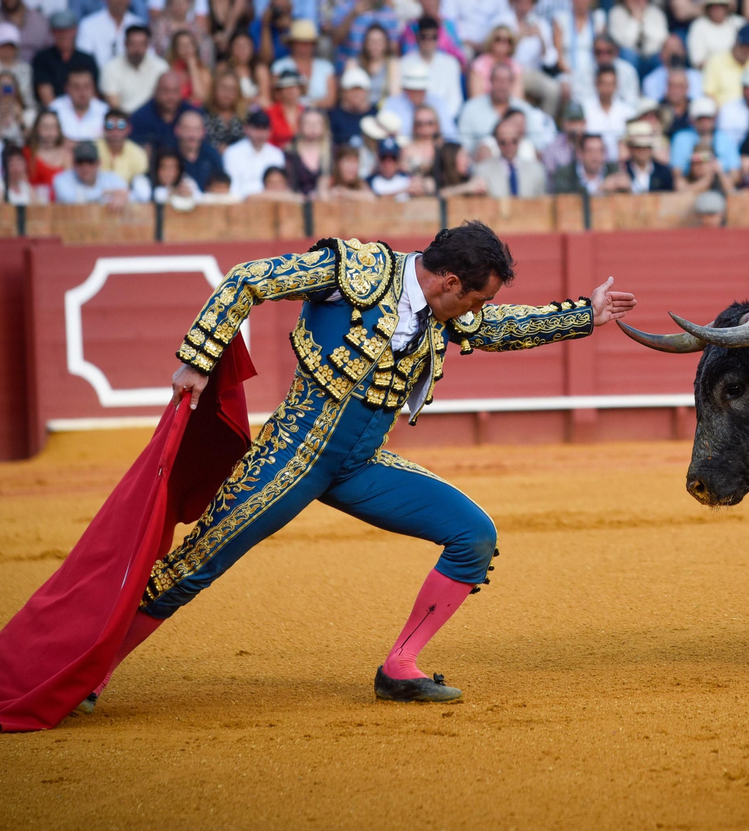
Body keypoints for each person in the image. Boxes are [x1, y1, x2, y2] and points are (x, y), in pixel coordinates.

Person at [90, 223, 638, 708]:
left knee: (473, 535)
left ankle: (400, 668)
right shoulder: (352, 270)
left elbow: (496, 329)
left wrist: (583, 317)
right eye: (474, 301)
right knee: (195, 564)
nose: (476, 314)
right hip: (292, 455)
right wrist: (197, 358)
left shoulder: (444, 312)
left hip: (359, 465)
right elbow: (248, 279)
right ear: (449, 282)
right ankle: (89, 673)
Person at [34, 11, 99, 108]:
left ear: (75, 30)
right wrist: (62, 116)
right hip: (54, 114)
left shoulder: (87, 59)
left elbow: (92, 93)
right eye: (58, 31)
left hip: (83, 110)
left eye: (68, 30)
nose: (63, 35)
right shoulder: (42, 58)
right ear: (52, 32)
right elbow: (46, 95)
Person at [474, 110, 547, 197]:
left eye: (514, 141)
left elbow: (542, 203)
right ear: (497, 142)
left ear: (520, 140)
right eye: (503, 142)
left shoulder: (536, 170)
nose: (509, 147)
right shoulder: (482, 171)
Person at [101, 24, 169, 115]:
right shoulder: (110, 68)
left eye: (141, 44)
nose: (137, 49)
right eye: (133, 44)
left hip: (154, 119)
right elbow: (114, 106)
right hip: (124, 120)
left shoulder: (161, 67)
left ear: (148, 45)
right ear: (125, 44)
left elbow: (166, 100)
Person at [270, 19, 335, 108]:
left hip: (320, 117)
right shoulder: (279, 66)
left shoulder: (326, 67)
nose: (305, 46)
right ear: (292, 44)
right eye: (301, 42)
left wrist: (307, 106)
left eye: (309, 43)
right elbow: (276, 95)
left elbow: (330, 100)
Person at [219, 106, 282, 195]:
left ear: (270, 131)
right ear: (246, 129)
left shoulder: (276, 154)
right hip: (239, 204)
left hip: (269, 202)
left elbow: (278, 186)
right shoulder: (232, 153)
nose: (260, 133)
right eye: (256, 128)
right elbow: (231, 187)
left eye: (264, 128)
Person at [53, 138, 129, 202]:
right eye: (80, 162)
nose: (85, 167)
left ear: (99, 163)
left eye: (90, 161)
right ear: (74, 164)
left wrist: (121, 197)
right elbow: (72, 199)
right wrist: (105, 193)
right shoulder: (61, 179)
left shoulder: (112, 178)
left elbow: (127, 194)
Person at [549, 131, 626, 193]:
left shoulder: (613, 170)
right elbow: (565, 199)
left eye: (599, 151)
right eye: (590, 150)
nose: (595, 156)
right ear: (580, 153)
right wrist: (600, 188)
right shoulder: (564, 173)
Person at [78, 0, 143, 68]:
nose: (120, 1)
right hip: (98, 76)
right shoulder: (88, 25)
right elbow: (84, 60)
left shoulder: (139, 25)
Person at [50, 67, 109, 141]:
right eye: (76, 87)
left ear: (93, 87)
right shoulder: (55, 109)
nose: (82, 92)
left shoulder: (104, 111)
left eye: (86, 86)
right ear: (67, 88)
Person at [283, 107, 329, 195]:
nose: (313, 127)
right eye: (308, 123)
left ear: (324, 127)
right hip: (295, 202)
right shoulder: (290, 153)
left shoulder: (331, 153)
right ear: (300, 126)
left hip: (323, 204)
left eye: (317, 123)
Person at [26, 107, 70, 198]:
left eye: (53, 127)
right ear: (37, 129)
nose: (50, 132)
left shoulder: (67, 156)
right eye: (45, 127)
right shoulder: (27, 153)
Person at [96, 106, 147, 183]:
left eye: (121, 126)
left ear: (129, 129)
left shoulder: (138, 154)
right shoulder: (93, 149)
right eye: (110, 126)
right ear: (103, 128)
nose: (115, 132)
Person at [131, 145, 200, 201]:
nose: (168, 172)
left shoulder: (185, 180)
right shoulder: (141, 180)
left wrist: (190, 195)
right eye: (164, 167)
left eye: (173, 167)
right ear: (156, 168)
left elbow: (201, 198)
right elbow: (146, 196)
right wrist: (171, 193)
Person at [687, 0, 743, 69]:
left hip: (737, 71)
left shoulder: (739, 23)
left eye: (721, 5)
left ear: (726, 7)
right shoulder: (698, 26)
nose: (717, 9)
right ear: (707, 8)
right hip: (708, 73)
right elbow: (698, 61)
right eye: (713, 5)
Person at [175, 108, 224, 186]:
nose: (192, 135)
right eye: (187, 129)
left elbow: (221, 184)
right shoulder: (169, 155)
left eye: (196, 129)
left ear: (203, 132)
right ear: (177, 130)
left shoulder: (212, 155)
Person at [621, 120, 674, 191]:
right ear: (630, 148)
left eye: (646, 147)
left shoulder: (663, 172)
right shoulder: (622, 169)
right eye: (637, 147)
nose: (642, 151)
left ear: (651, 148)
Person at [204, 68, 247, 149]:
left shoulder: (245, 117)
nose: (227, 93)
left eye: (232, 89)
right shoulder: (204, 114)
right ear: (214, 89)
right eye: (224, 87)